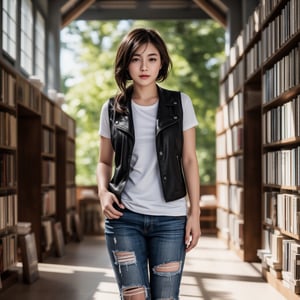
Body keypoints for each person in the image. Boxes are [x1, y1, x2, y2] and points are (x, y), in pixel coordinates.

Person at [96, 28, 201, 300]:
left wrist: (195, 213)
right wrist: (102, 192)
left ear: (161, 63)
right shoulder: (112, 108)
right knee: (134, 296)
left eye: (152, 59)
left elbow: (189, 160)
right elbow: (103, 161)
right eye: (136, 58)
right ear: (125, 63)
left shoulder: (180, 104)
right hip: (123, 217)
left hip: (170, 219)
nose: (144, 66)